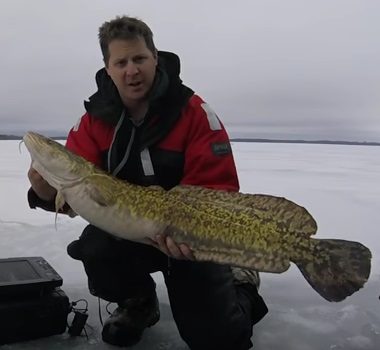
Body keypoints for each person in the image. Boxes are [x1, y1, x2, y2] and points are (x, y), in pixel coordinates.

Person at [27, 15, 268, 349]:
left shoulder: (194, 112)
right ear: (107, 68)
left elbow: (218, 190)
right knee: (94, 248)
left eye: (139, 58)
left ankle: (242, 283)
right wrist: (43, 191)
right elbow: (77, 192)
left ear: (155, 57)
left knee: (217, 338)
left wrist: (185, 230)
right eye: (121, 62)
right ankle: (139, 301)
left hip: (190, 237)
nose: (132, 70)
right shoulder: (94, 120)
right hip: (133, 236)